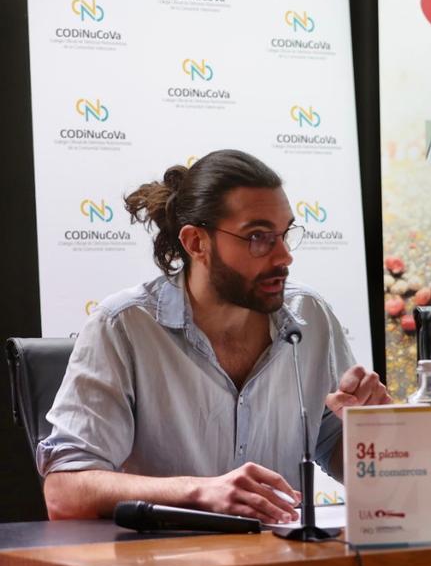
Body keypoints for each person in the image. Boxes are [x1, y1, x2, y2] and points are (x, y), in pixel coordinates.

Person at [37, 150, 390, 522]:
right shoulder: (124, 326)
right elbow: (65, 493)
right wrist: (201, 492)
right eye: (258, 237)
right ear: (196, 243)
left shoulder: (311, 316)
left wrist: (374, 433)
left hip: (285, 564)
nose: (284, 256)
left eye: (285, 234)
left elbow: (338, 449)